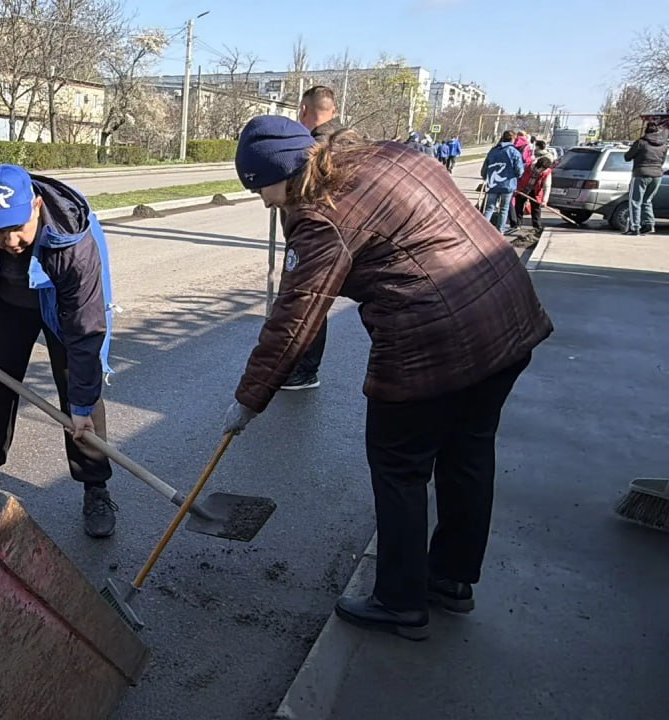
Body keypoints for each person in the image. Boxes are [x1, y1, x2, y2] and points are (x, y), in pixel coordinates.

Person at [227, 116, 553, 640]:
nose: (265, 202)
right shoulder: (389, 155)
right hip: (506, 318)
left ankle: (399, 600)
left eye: (261, 188)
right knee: (468, 453)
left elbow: (296, 317)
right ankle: (450, 580)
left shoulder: (323, 215)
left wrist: (249, 399)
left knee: (399, 465)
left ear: (285, 171)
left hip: (434, 341)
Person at [0, 164, 120, 538]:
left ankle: (95, 486)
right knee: (0, 380)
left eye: (18, 226)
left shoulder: (73, 241)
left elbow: (86, 331)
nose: (11, 239)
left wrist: (81, 409)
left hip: (62, 298)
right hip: (7, 294)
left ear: (35, 206)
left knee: (79, 387)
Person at [281, 84, 343, 391]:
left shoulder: (312, 149)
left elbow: (298, 199)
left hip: (317, 240)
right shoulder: (348, 141)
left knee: (307, 301)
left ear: (303, 110)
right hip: (348, 238)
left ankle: (305, 370)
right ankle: (304, 367)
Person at [622, 121, 667, 235]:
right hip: (657, 175)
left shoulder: (641, 142)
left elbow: (627, 157)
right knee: (647, 200)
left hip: (641, 173)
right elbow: (662, 161)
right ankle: (649, 224)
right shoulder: (664, 145)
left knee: (635, 201)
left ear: (646, 130)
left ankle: (635, 227)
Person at [482, 131, 525, 234]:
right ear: (513, 139)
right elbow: (519, 170)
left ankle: (482, 230)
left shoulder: (493, 150)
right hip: (507, 185)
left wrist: (485, 177)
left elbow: (485, 166)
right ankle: (500, 230)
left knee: (489, 208)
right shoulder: (514, 152)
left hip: (493, 184)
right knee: (504, 209)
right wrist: (516, 177)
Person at [512, 157, 554, 233]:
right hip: (522, 188)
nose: (542, 171)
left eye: (544, 169)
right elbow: (517, 176)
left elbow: (547, 187)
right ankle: (517, 224)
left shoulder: (547, 172)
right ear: (537, 166)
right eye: (541, 169)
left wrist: (544, 201)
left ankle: (536, 226)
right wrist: (515, 187)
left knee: (536, 208)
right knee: (518, 206)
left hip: (535, 190)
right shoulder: (527, 166)